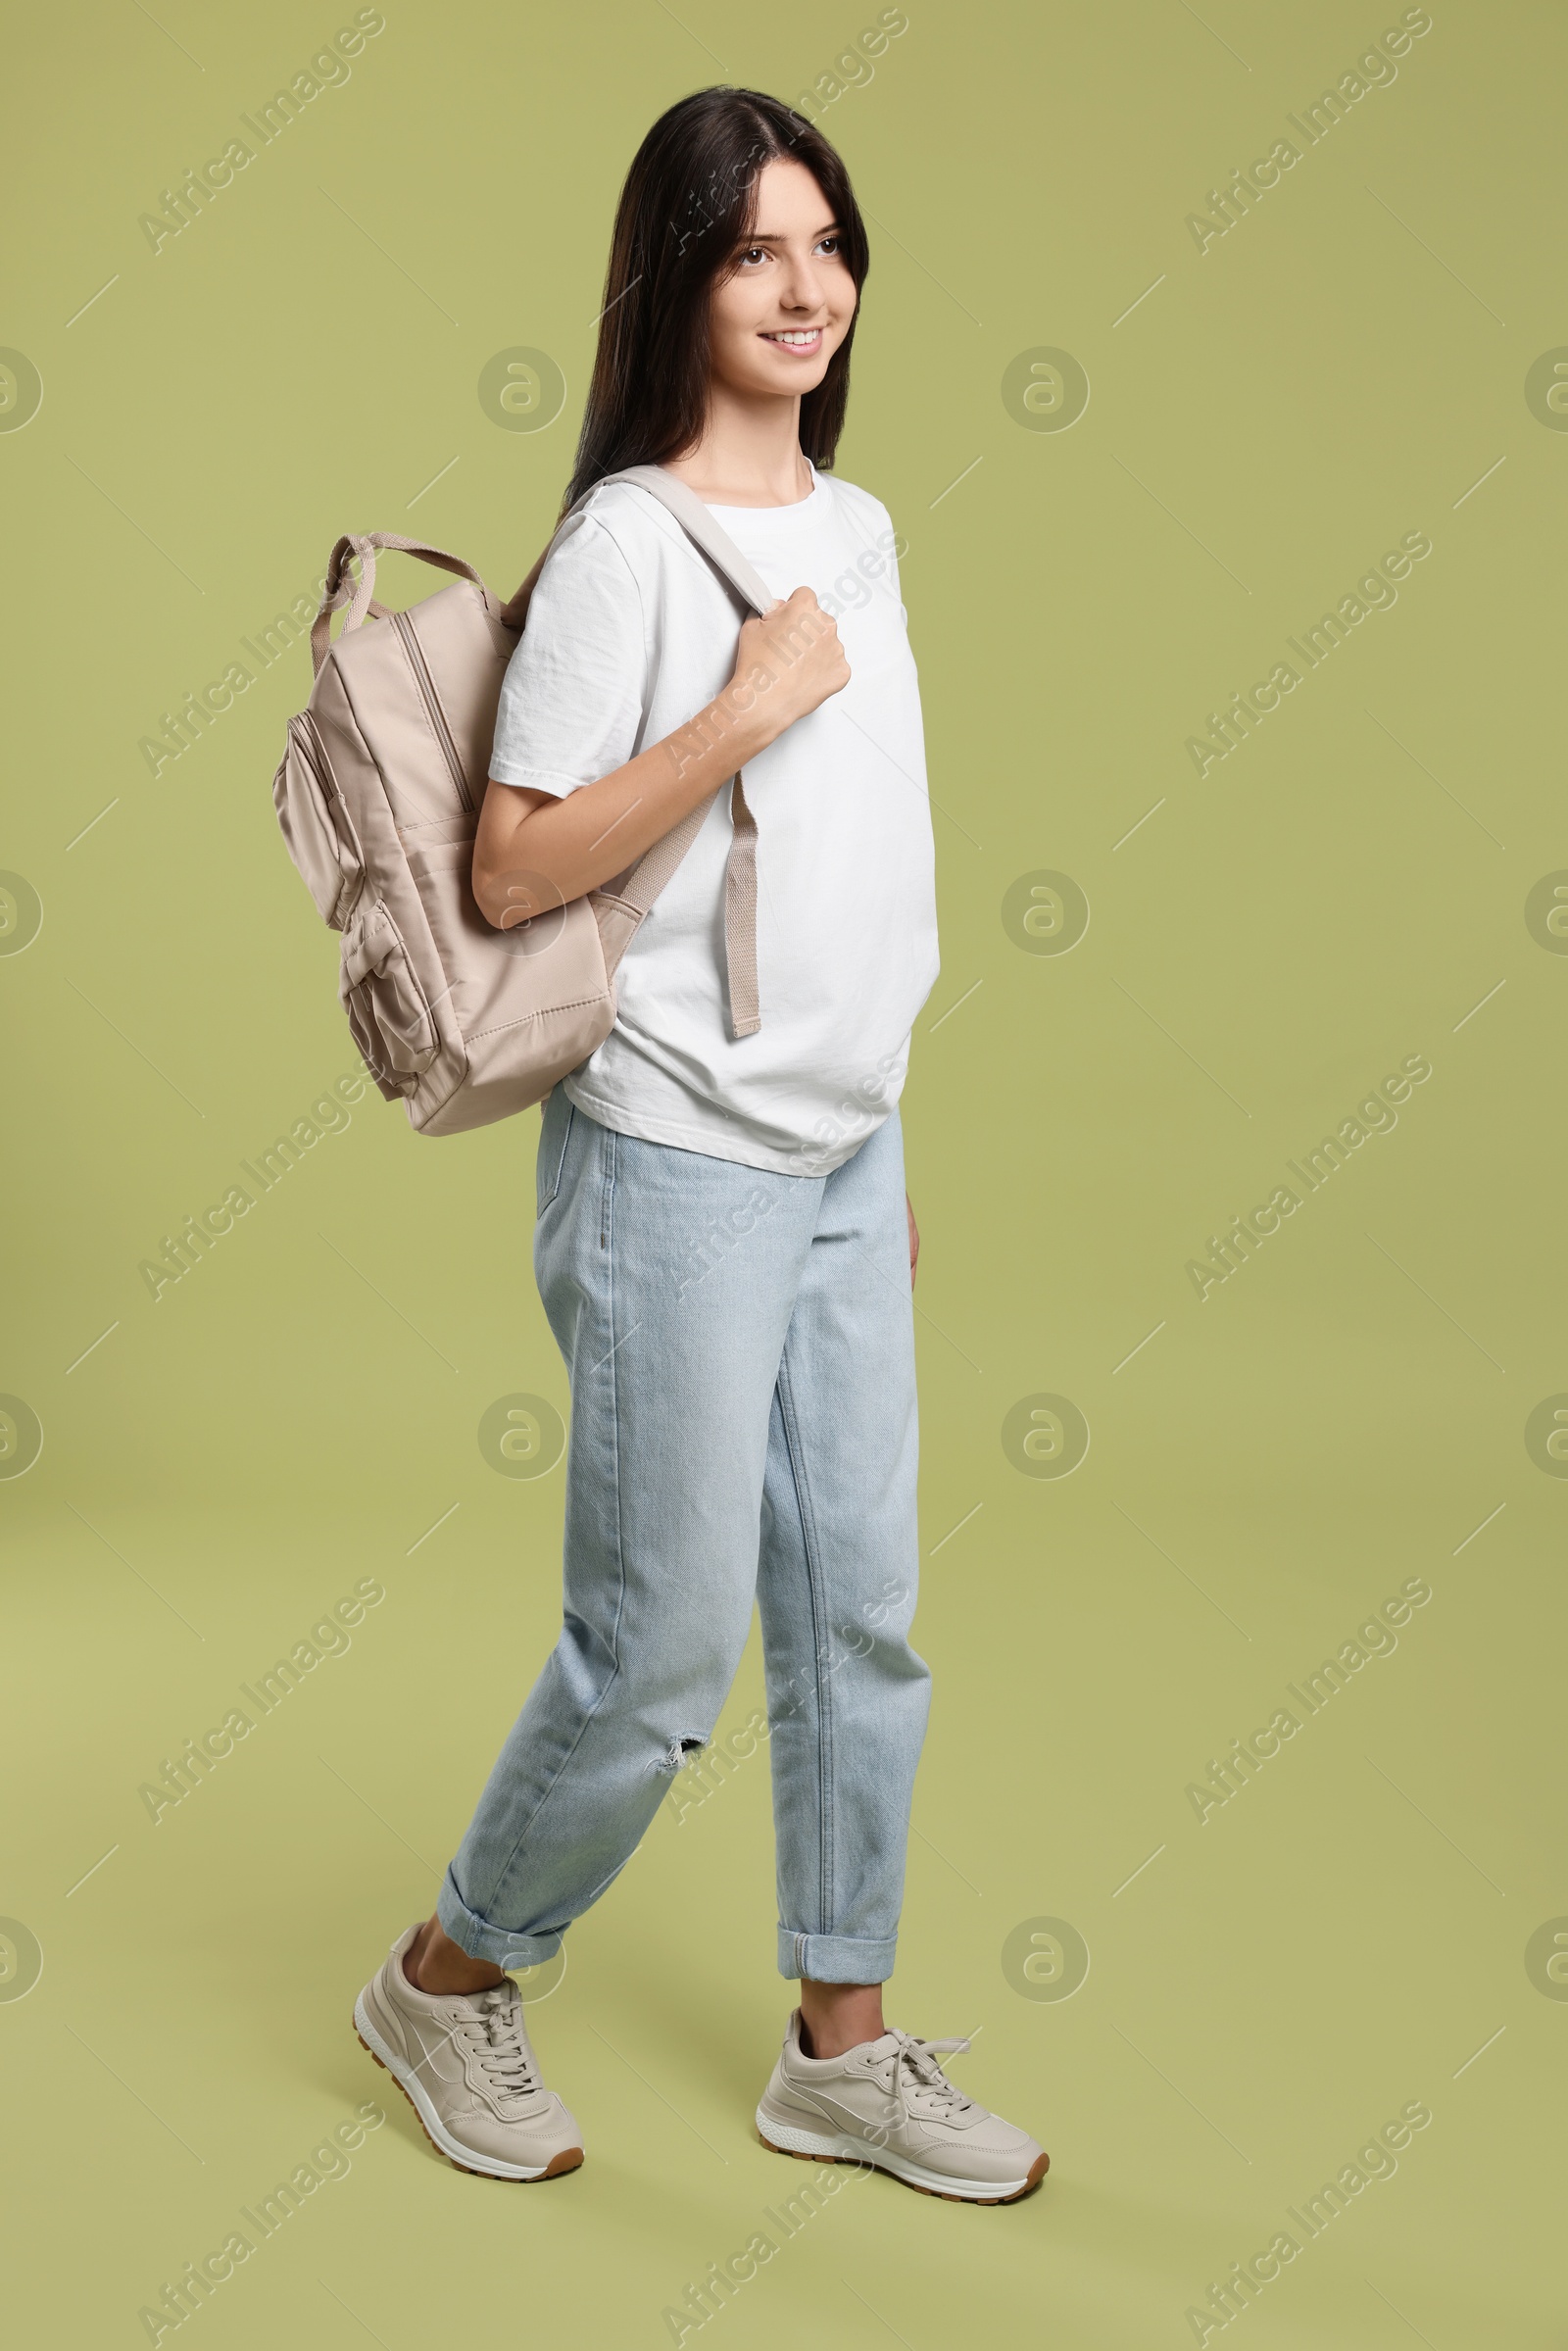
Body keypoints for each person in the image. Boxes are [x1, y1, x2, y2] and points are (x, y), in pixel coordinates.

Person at [353, 84, 1048, 2206]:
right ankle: (447, 1977)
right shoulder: (629, 552)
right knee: (658, 1653)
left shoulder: (860, 531)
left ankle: (838, 2047)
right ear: (675, 280)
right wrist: (736, 712)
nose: (804, 284)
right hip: (670, 1157)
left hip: (835, 1149)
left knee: (860, 1617)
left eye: (825, 242)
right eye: (753, 249)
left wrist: (874, 1131)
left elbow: (857, 869)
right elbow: (510, 863)